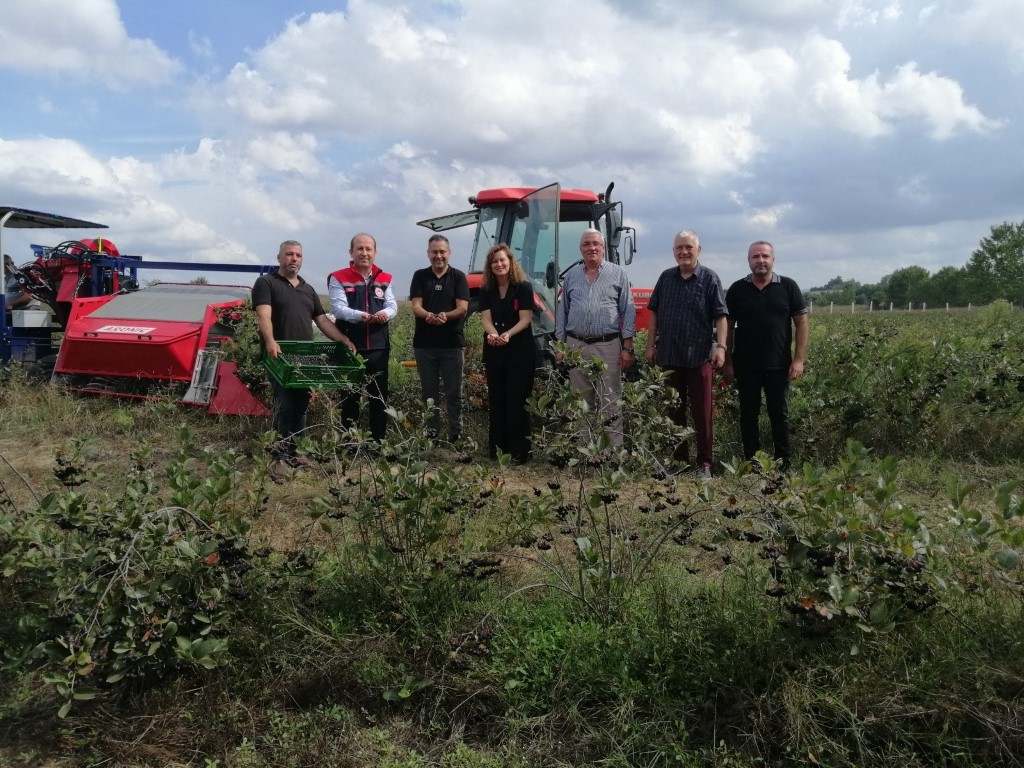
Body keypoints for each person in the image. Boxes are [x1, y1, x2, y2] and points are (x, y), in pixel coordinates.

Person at [253, 240, 356, 478]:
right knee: (285, 404)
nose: (294, 259)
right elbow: (264, 315)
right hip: (278, 355)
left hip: (304, 357)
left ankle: (297, 453)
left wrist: (342, 340)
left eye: (298, 255)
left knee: (301, 405)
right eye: (289, 254)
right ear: (279, 257)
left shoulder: (307, 289)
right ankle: (279, 458)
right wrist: (270, 341)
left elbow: (321, 320)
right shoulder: (266, 283)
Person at [644, 230, 728, 479]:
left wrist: (721, 347)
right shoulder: (666, 278)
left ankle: (704, 464)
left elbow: (721, 316)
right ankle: (679, 462)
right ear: (673, 252)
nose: (684, 252)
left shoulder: (710, 279)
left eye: (688, 247)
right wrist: (650, 346)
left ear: (698, 250)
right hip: (669, 357)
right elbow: (654, 315)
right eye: (679, 248)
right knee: (674, 412)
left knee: (702, 414)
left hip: (700, 357)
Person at [724, 240, 808, 471]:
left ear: (773, 259)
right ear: (748, 260)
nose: (760, 261)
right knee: (748, 416)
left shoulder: (788, 287)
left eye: (765, 256)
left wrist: (799, 360)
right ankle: (752, 463)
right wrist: (728, 362)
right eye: (755, 257)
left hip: (779, 366)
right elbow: (727, 328)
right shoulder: (737, 289)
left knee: (779, 415)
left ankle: (784, 464)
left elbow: (801, 323)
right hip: (746, 365)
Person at [554, 228, 637, 444]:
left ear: (603, 247)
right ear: (580, 249)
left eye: (595, 244)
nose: (591, 248)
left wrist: (627, 347)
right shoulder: (571, 276)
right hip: (576, 345)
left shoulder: (619, 274)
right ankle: (586, 452)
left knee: (610, 400)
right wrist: (561, 347)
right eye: (586, 244)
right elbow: (562, 312)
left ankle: (613, 453)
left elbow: (628, 310)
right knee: (582, 401)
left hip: (607, 345)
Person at [329, 233, 397, 441]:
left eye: (368, 249)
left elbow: (392, 305)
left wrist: (384, 314)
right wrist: (361, 316)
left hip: (378, 346)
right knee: (349, 397)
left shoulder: (385, 278)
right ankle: (350, 443)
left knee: (379, 396)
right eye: (359, 248)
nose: (364, 253)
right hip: (350, 345)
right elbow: (338, 309)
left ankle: (378, 442)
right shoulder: (338, 277)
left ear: (375, 253)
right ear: (351, 252)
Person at [479, 243, 537, 463]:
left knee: (517, 401)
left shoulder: (523, 287)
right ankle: (498, 452)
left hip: (520, 351)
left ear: (510, 262)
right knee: (497, 400)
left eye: (502, 260)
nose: (499, 264)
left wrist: (507, 334)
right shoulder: (486, 290)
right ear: (490, 266)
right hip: (495, 353)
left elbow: (526, 318)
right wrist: (493, 335)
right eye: (495, 261)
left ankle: (520, 453)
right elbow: (486, 319)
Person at [409, 234, 470, 441]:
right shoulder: (420, 276)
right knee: (429, 393)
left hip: (452, 343)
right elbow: (416, 306)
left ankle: (456, 434)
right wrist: (429, 316)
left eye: (442, 251)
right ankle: (432, 434)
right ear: (428, 254)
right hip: (425, 345)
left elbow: (462, 308)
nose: (438, 256)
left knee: (454, 392)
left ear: (449, 253)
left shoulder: (459, 277)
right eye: (434, 252)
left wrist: (445, 316)